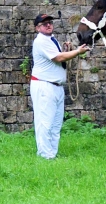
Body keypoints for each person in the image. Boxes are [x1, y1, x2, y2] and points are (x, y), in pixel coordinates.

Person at [30, 13, 89, 159]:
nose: (49, 25)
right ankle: (45, 155)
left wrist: (66, 49)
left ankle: (52, 153)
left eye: (50, 22)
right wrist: (77, 51)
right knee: (45, 123)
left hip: (56, 86)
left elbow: (58, 55)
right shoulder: (41, 41)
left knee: (56, 124)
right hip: (44, 85)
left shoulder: (51, 39)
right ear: (38, 28)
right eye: (44, 24)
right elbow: (58, 58)